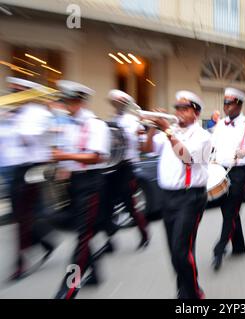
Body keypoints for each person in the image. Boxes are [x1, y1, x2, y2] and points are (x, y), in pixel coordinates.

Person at [143, 90, 211, 299]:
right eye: (177, 108)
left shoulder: (203, 136)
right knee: (175, 253)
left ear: (195, 113)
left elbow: (188, 158)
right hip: (167, 197)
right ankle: (187, 288)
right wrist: (152, 129)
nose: (179, 112)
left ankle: (192, 294)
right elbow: (146, 149)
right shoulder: (168, 132)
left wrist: (168, 130)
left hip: (190, 198)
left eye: (184, 108)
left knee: (182, 251)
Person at [52, 80, 110, 299]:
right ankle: (94, 273)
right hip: (74, 182)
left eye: (70, 101)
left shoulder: (95, 125)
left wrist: (64, 157)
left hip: (91, 183)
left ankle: (69, 288)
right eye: (66, 100)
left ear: (80, 101)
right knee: (81, 233)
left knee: (82, 237)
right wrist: (63, 169)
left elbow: (97, 156)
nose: (67, 104)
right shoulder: (67, 124)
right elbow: (66, 154)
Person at [210, 87, 245, 271]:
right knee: (229, 211)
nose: (225, 106)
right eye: (224, 102)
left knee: (230, 213)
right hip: (220, 171)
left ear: (239, 104)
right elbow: (213, 146)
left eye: (229, 103)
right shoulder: (220, 124)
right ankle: (239, 247)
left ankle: (219, 249)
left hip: (238, 173)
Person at [5, 77, 56, 281]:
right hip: (13, 167)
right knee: (21, 214)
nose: (14, 93)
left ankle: (21, 263)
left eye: (19, 90)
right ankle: (45, 242)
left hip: (32, 168)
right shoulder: (15, 113)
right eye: (14, 90)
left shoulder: (40, 113)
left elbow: (30, 138)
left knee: (23, 216)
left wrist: (14, 121)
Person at [102, 89, 149, 251]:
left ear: (126, 104)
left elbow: (142, 146)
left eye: (120, 103)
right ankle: (109, 240)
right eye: (115, 102)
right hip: (111, 167)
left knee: (130, 205)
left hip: (127, 167)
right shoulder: (111, 120)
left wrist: (137, 135)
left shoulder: (133, 121)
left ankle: (144, 234)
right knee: (106, 206)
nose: (117, 105)